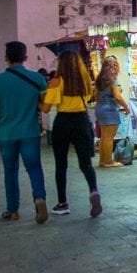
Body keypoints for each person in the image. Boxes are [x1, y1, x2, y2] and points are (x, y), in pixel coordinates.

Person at [0, 41, 49, 223]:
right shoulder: (37, 78)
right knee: (34, 168)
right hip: (30, 132)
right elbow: (44, 105)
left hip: (6, 133)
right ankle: (39, 198)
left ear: (6, 58)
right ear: (25, 57)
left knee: (10, 171)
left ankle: (12, 210)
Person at [41, 50, 101, 217]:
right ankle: (94, 191)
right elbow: (89, 98)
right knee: (85, 163)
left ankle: (63, 203)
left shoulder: (56, 82)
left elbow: (45, 109)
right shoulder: (86, 81)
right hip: (81, 121)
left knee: (61, 165)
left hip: (63, 123)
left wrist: (39, 100)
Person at [93, 56, 130, 167]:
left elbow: (96, 96)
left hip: (100, 109)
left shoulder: (100, 79)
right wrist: (126, 107)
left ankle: (102, 161)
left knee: (104, 137)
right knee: (109, 137)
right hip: (109, 110)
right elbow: (118, 96)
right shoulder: (113, 80)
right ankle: (108, 161)